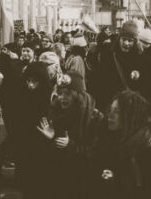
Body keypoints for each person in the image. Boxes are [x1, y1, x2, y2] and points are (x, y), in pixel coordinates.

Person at [37, 71, 103, 199]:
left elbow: (97, 151)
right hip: (58, 180)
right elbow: (44, 156)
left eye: (67, 94)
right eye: (60, 93)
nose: (62, 97)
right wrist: (50, 138)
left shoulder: (95, 118)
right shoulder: (55, 113)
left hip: (82, 181)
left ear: (77, 96)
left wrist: (71, 145)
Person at [89, 90, 151, 199]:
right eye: (110, 110)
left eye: (117, 112)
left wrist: (117, 181)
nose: (109, 116)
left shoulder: (150, 147)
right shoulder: (112, 140)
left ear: (131, 115)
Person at [12, 62, 52, 199]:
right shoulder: (20, 96)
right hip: (25, 146)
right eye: (28, 81)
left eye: (35, 81)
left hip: (41, 148)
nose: (30, 85)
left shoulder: (50, 100)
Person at [94, 21, 151, 109]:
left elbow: (149, 89)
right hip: (113, 108)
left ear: (135, 42)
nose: (126, 43)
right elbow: (100, 84)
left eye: (130, 40)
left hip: (135, 110)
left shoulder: (144, 61)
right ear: (119, 39)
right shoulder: (109, 58)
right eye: (124, 39)